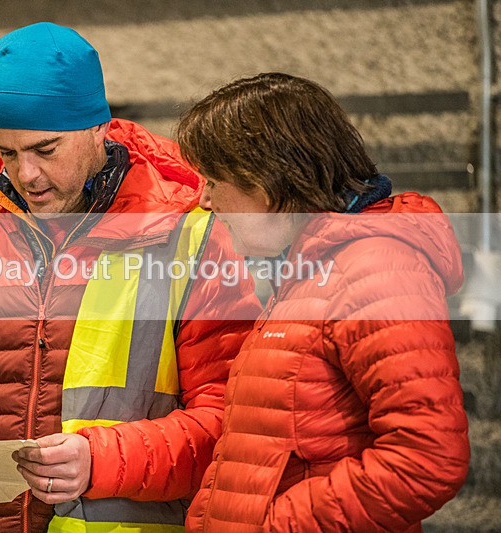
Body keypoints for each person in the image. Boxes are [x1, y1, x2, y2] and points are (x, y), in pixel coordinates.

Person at [0, 22, 261, 533]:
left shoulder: (190, 239)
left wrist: (100, 461)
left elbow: (234, 422)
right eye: (7, 152)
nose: (26, 177)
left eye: (46, 150)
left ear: (98, 129)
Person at [175, 72, 470, 532]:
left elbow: (427, 459)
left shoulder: (375, 270)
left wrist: (277, 527)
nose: (205, 199)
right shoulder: (311, 268)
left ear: (267, 182)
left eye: (214, 180)